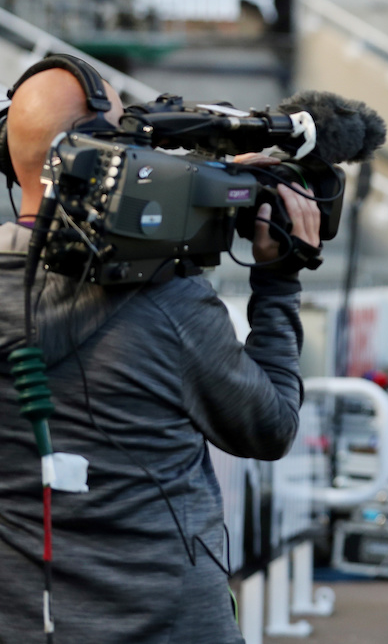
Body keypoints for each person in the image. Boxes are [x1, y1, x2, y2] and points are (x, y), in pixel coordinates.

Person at [0, 59, 320, 643]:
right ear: (94, 157)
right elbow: (269, 427)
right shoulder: (167, 299)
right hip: (172, 625)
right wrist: (278, 281)